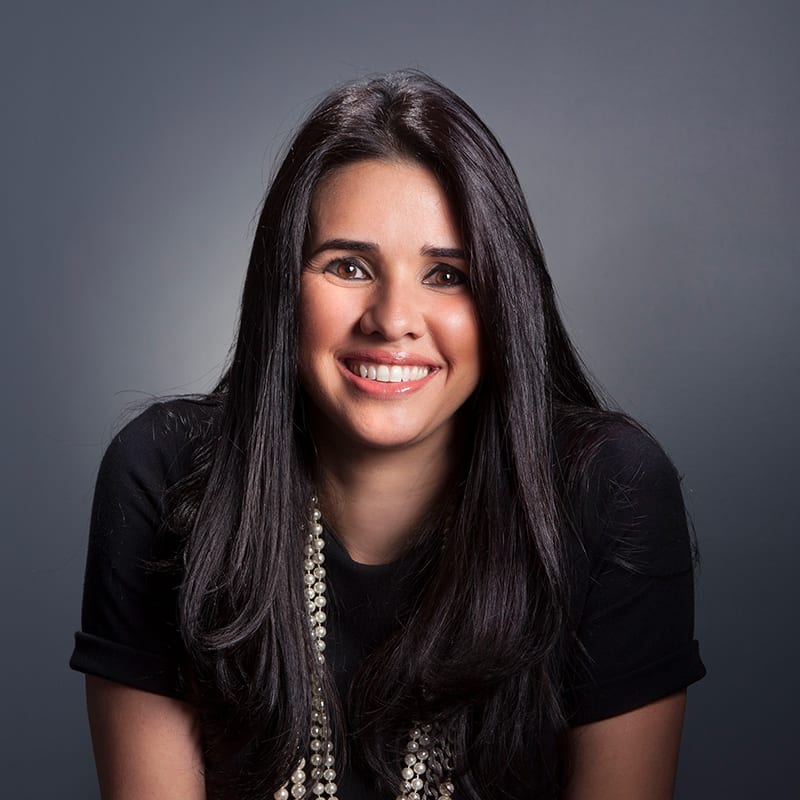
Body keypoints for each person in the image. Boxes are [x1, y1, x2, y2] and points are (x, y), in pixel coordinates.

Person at [70, 70, 706, 800]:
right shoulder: (163, 475)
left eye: (447, 275)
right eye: (348, 266)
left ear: (506, 299)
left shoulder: (610, 489)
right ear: (283, 288)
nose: (393, 319)